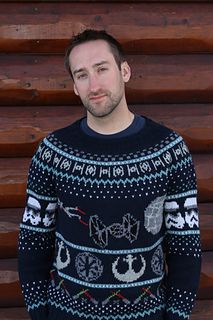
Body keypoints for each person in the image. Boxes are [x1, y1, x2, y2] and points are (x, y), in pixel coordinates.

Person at [18, 29, 201, 320]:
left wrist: (176, 316)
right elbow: (33, 242)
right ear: (75, 87)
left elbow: (185, 248)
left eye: (102, 69)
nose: (94, 84)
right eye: (82, 75)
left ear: (124, 71)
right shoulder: (52, 152)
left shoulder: (169, 152)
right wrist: (41, 314)